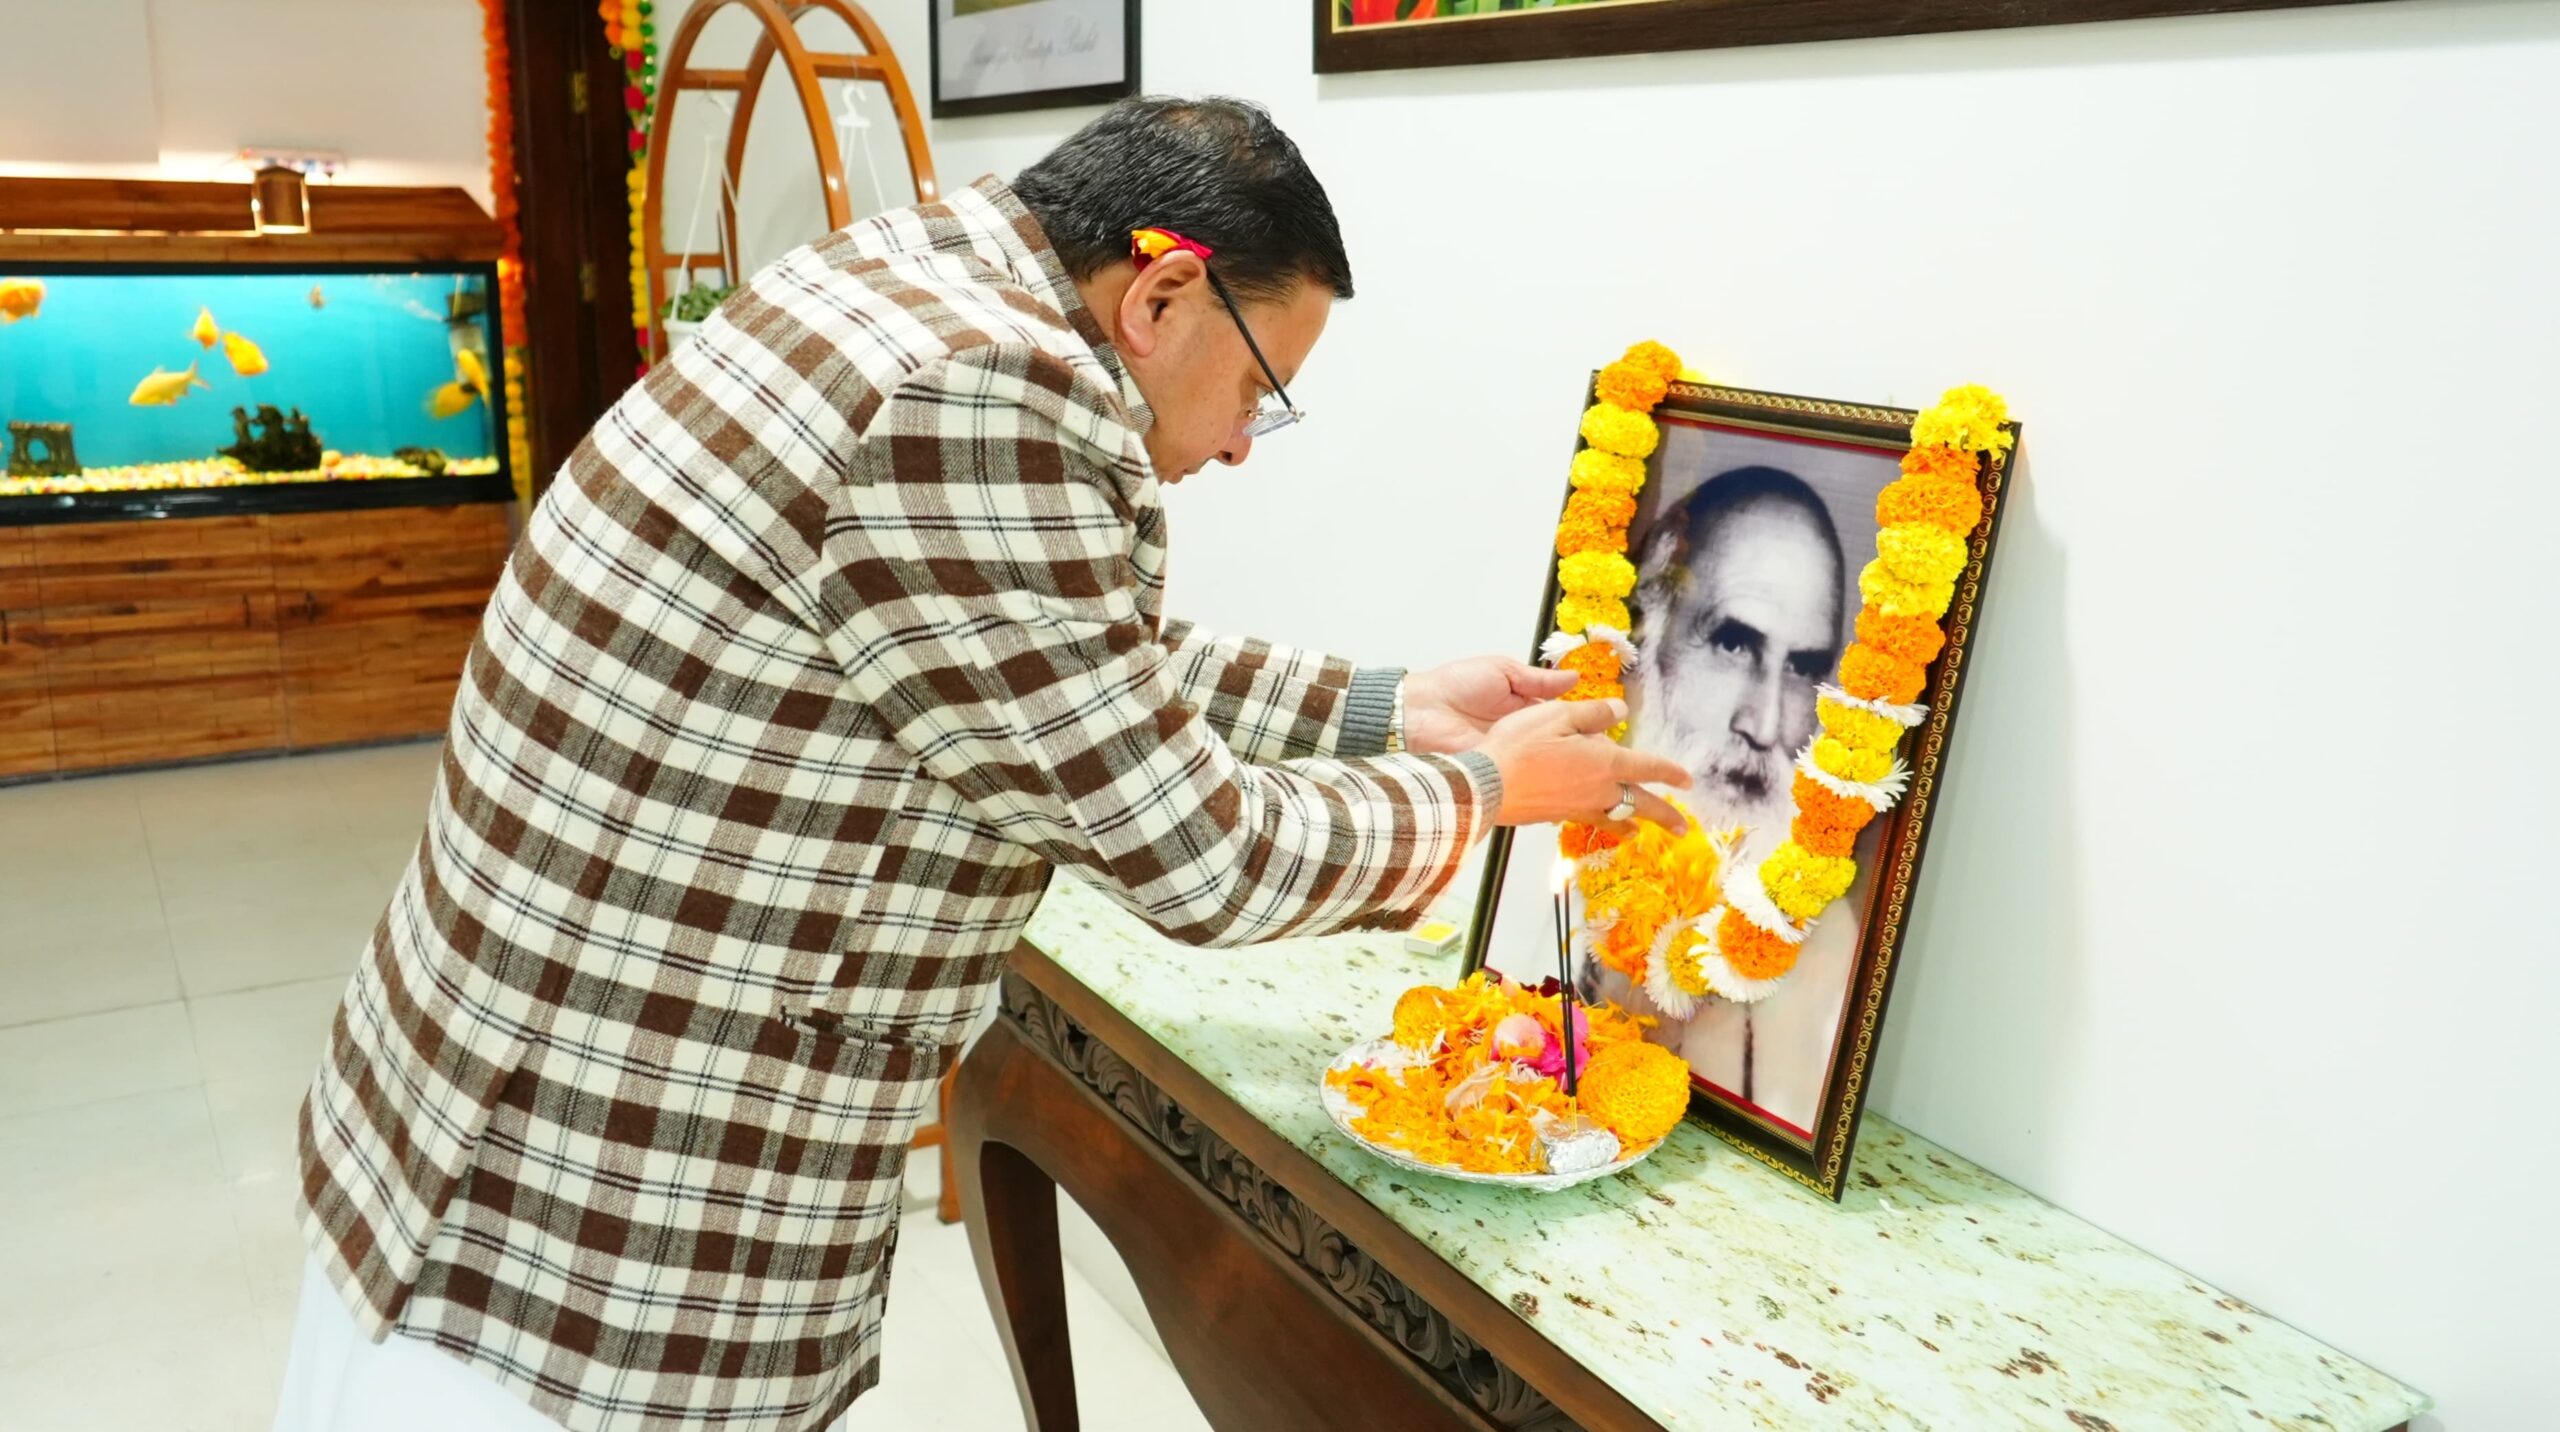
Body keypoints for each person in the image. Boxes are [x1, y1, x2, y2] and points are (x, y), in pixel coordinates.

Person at [274, 97, 1685, 1432]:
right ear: (1161, 296)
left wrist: (1390, 708)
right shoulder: (985, 386)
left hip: (483, 1083)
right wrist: (1490, 791)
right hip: (599, 1194)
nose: (1242, 446)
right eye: (1263, 392)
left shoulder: (898, 280)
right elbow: (1199, 858)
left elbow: (1034, 655)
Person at [1600, 464, 1863, 1133]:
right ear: (1647, 640)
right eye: (1735, 642)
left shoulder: (1829, 956)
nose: (1766, 723)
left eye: (1802, 668)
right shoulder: (1563, 852)